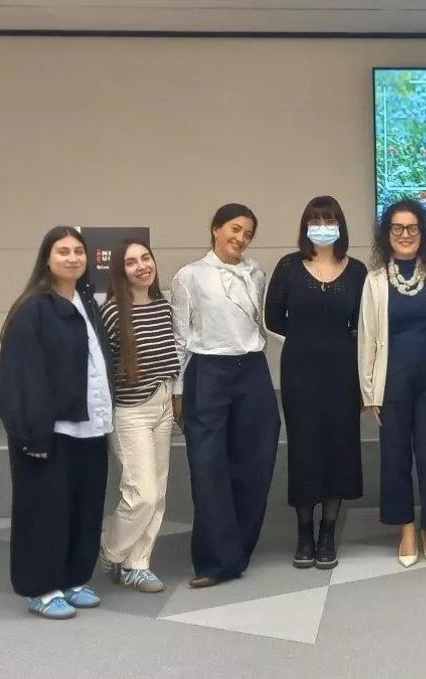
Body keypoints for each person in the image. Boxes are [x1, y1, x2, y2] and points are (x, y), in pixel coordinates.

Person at [0, 226, 112, 619]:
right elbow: (22, 376)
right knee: (44, 510)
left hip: (90, 427)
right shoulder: (33, 308)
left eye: (79, 251)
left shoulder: (87, 303)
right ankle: (40, 588)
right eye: (63, 251)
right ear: (47, 258)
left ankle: (74, 578)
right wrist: (32, 434)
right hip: (49, 432)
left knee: (84, 506)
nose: (73, 257)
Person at [170, 203, 281, 589]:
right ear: (216, 229)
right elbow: (180, 337)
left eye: (248, 233)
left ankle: (238, 552)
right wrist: (178, 390)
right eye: (235, 229)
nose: (240, 238)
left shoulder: (256, 273)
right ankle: (213, 561)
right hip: (208, 370)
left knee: (256, 460)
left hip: (251, 370)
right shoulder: (190, 276)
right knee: (208, 467)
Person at [266, 196, 368, 570]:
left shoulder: (357, 271)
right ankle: (304, 532)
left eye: (329, 219)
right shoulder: (289, 266)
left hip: (343, 374)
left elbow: (365, 324)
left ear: (340, 225)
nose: (322, 225)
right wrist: (308, 338)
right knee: (304, 451)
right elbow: (273, 318)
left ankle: (328, 531)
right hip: (299, 375)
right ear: (305, 225)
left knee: (339, 450)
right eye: (315, 219)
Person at [358, 198, 426, 567]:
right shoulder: (376, 280)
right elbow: (366, 337)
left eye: (412, 228)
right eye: (398, 228)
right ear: (387, 234)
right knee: (395, 460)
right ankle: (407, 529)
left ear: (423, 232)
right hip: (391, 384)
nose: (405, 234)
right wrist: (369, 391)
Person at [98, 239, 179, 594]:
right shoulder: (113, 312)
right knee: (141, 493)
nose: (142, 266)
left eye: (146, 258)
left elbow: (173, 357)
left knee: (158, 493)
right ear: (120, 270)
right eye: (131, 262)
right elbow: (103, 367)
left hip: (162, 403)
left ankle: (138, 564)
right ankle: (111, 550)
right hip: (130, 411)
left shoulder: (163, 307)